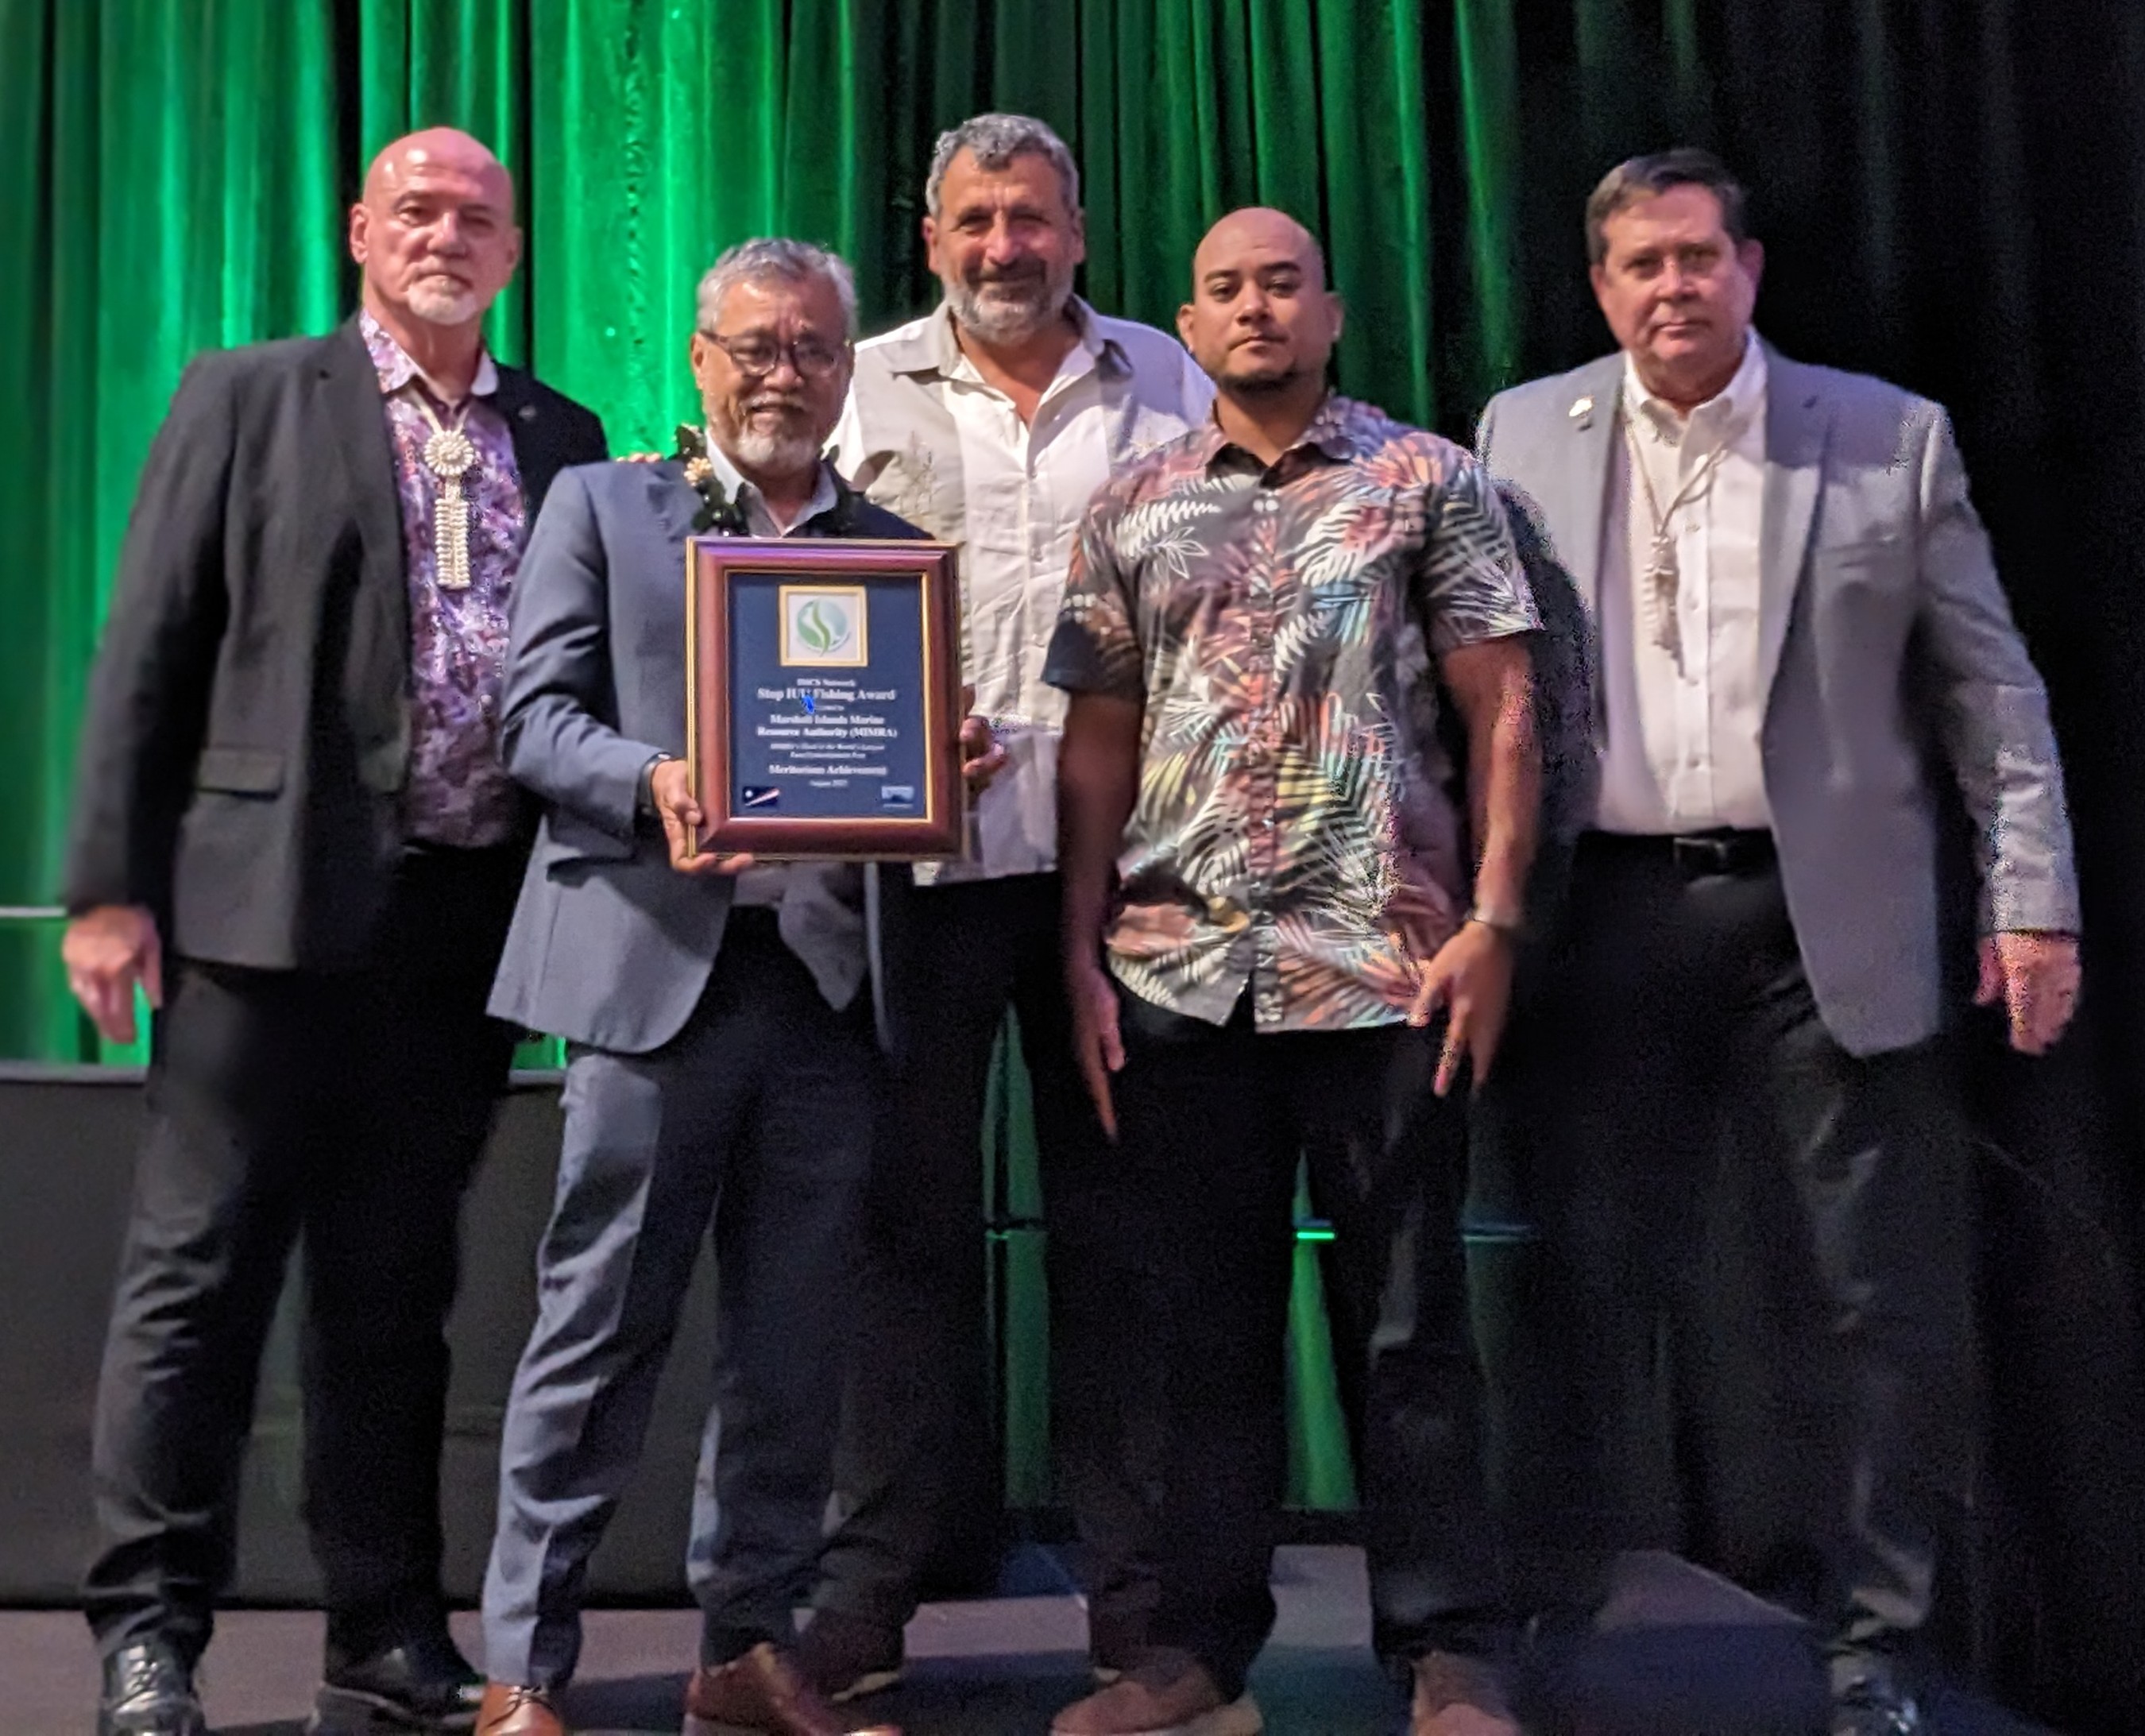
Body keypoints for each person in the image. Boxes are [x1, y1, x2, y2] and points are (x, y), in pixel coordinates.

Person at [1473, 149, 2081, 1736]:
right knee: (1583, 1278)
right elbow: (1467, 686)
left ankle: (1879, 1636)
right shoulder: (1521, 432)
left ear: (1748, 267)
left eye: (1695, 257)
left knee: (1876, 1297)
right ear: (1600, 287)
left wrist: (2032, 899)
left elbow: (1989, 689)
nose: (1669, 288)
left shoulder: (1886, 436)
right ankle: (1549, 1599)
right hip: (1601, 907)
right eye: (1637, 266)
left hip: (1831, 918)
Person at [60, 129, 605, 1736]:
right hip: (258, 911)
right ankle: (147, 1632)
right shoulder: (249, 394)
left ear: (515, 248)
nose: (448, 233)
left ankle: (383, 1630)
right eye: (419, 210)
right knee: (197, 1284)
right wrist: (109, 881)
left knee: (393, 1294)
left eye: (480, 215)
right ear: (363, 230)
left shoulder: (561, 432)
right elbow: (146, 640)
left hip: (463, 926)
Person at [471, 238, 995, 1736]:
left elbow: (894, 768)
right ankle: (526, 1665)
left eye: (813, 349)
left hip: (828, 991)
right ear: (699, 358)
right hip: (652, 980)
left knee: (791, 1349)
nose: (783, 373)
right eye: (754, 346)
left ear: (848, 372)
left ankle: (743, 1647)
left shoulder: (891, 549)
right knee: (598, 1331)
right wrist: (656, 779)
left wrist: (940, 772)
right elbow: (534, 719)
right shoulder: (603, 505)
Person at [1046, 207, 1542, 1736]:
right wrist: (1075, 948)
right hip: (1178, 970)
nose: (1253, 308)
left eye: (1280, 283)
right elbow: (1097, 742)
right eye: (1222, 289)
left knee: (1409, 1327)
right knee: (1197, 1330)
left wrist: (1497, 921)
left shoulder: (1427, 481)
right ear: (1184, 328)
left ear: (1328, 310)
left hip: (1387, 964)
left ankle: (1447, 1650)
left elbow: (1505, 704)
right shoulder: (1131, 503)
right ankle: (1194, 1653)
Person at [802, 111, 1214, 1700]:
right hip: (916, 877)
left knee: (1126, 1245)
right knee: (900, 1236)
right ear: (932, 239)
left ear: (1080, 231)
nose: (1004, 248)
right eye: (975, 221)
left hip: (1129, 881)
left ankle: (1136, 1604)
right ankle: (867, 1598)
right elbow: (784, 583)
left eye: (1031, 219)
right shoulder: (866, 384)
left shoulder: (1168, 387)